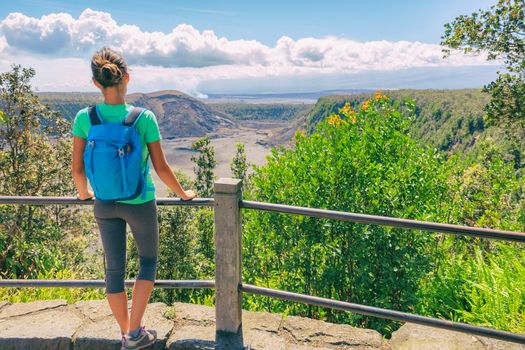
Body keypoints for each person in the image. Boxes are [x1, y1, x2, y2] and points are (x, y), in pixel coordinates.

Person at [71, 46, 196, 349]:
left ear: (95, 84)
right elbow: (161, 167)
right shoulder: (144, 118)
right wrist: (183, 194)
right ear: (127, 77)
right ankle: (135, 333)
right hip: (139, 202)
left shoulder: (85, 118)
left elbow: (77, 169)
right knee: (148, 262)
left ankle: (126, 332)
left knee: (113, 271)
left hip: (103, 203)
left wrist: (85, 194)